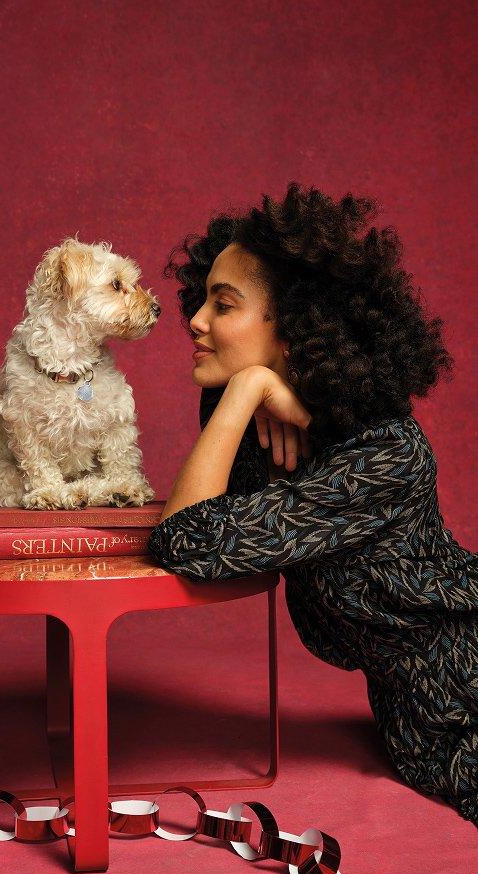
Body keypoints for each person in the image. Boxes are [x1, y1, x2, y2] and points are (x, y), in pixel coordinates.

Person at [146, 182, 477, 825]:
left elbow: (183, 537)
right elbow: (188, 534)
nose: (196, 320)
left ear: (295, 327)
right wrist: (247, 394)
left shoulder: (384, 453)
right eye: (203, 299)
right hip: (419, 717)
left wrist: (247, 386)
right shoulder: (263, 431)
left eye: (225, 304)